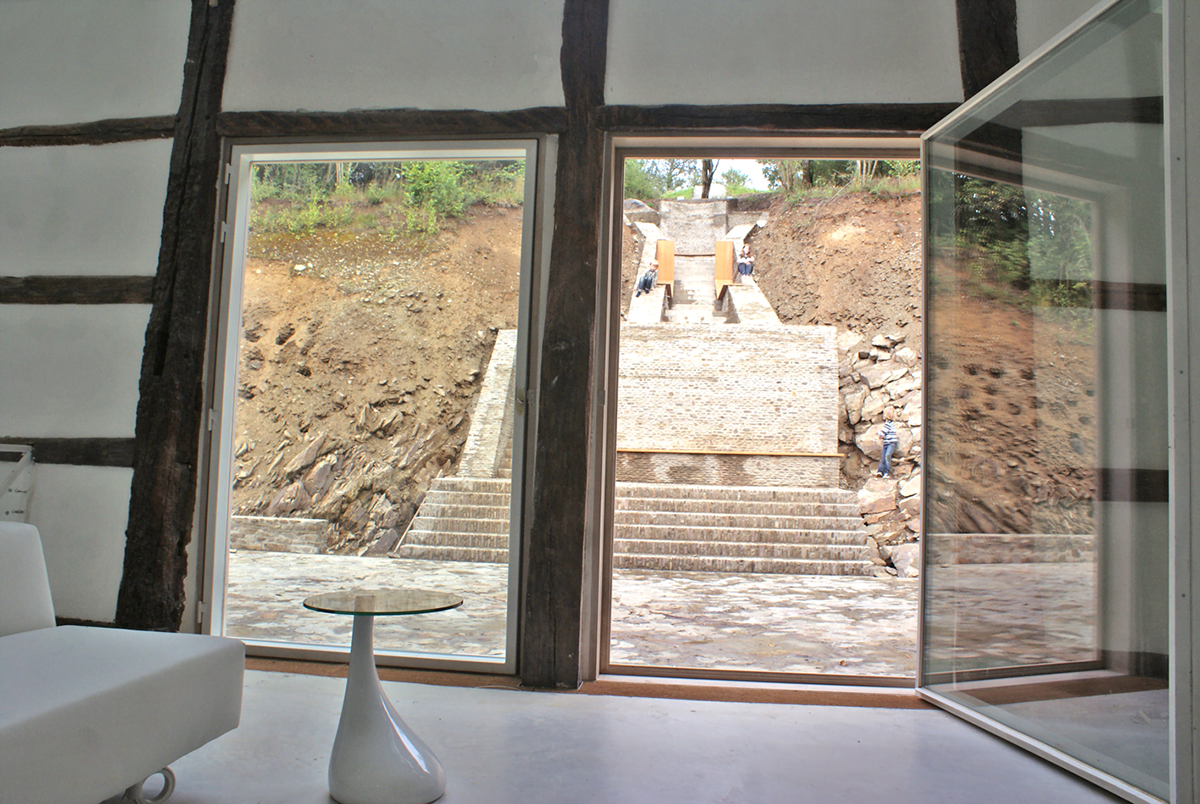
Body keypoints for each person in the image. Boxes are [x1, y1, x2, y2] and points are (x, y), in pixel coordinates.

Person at [877, 410, 899, 479]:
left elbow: (883, 433)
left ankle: (886, 472)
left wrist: (877, 432)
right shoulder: (889, 423)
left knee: (886, 456)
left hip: (890, 443)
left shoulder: (888, 423)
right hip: (886, 443)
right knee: (883, 457)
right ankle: (880, 471)